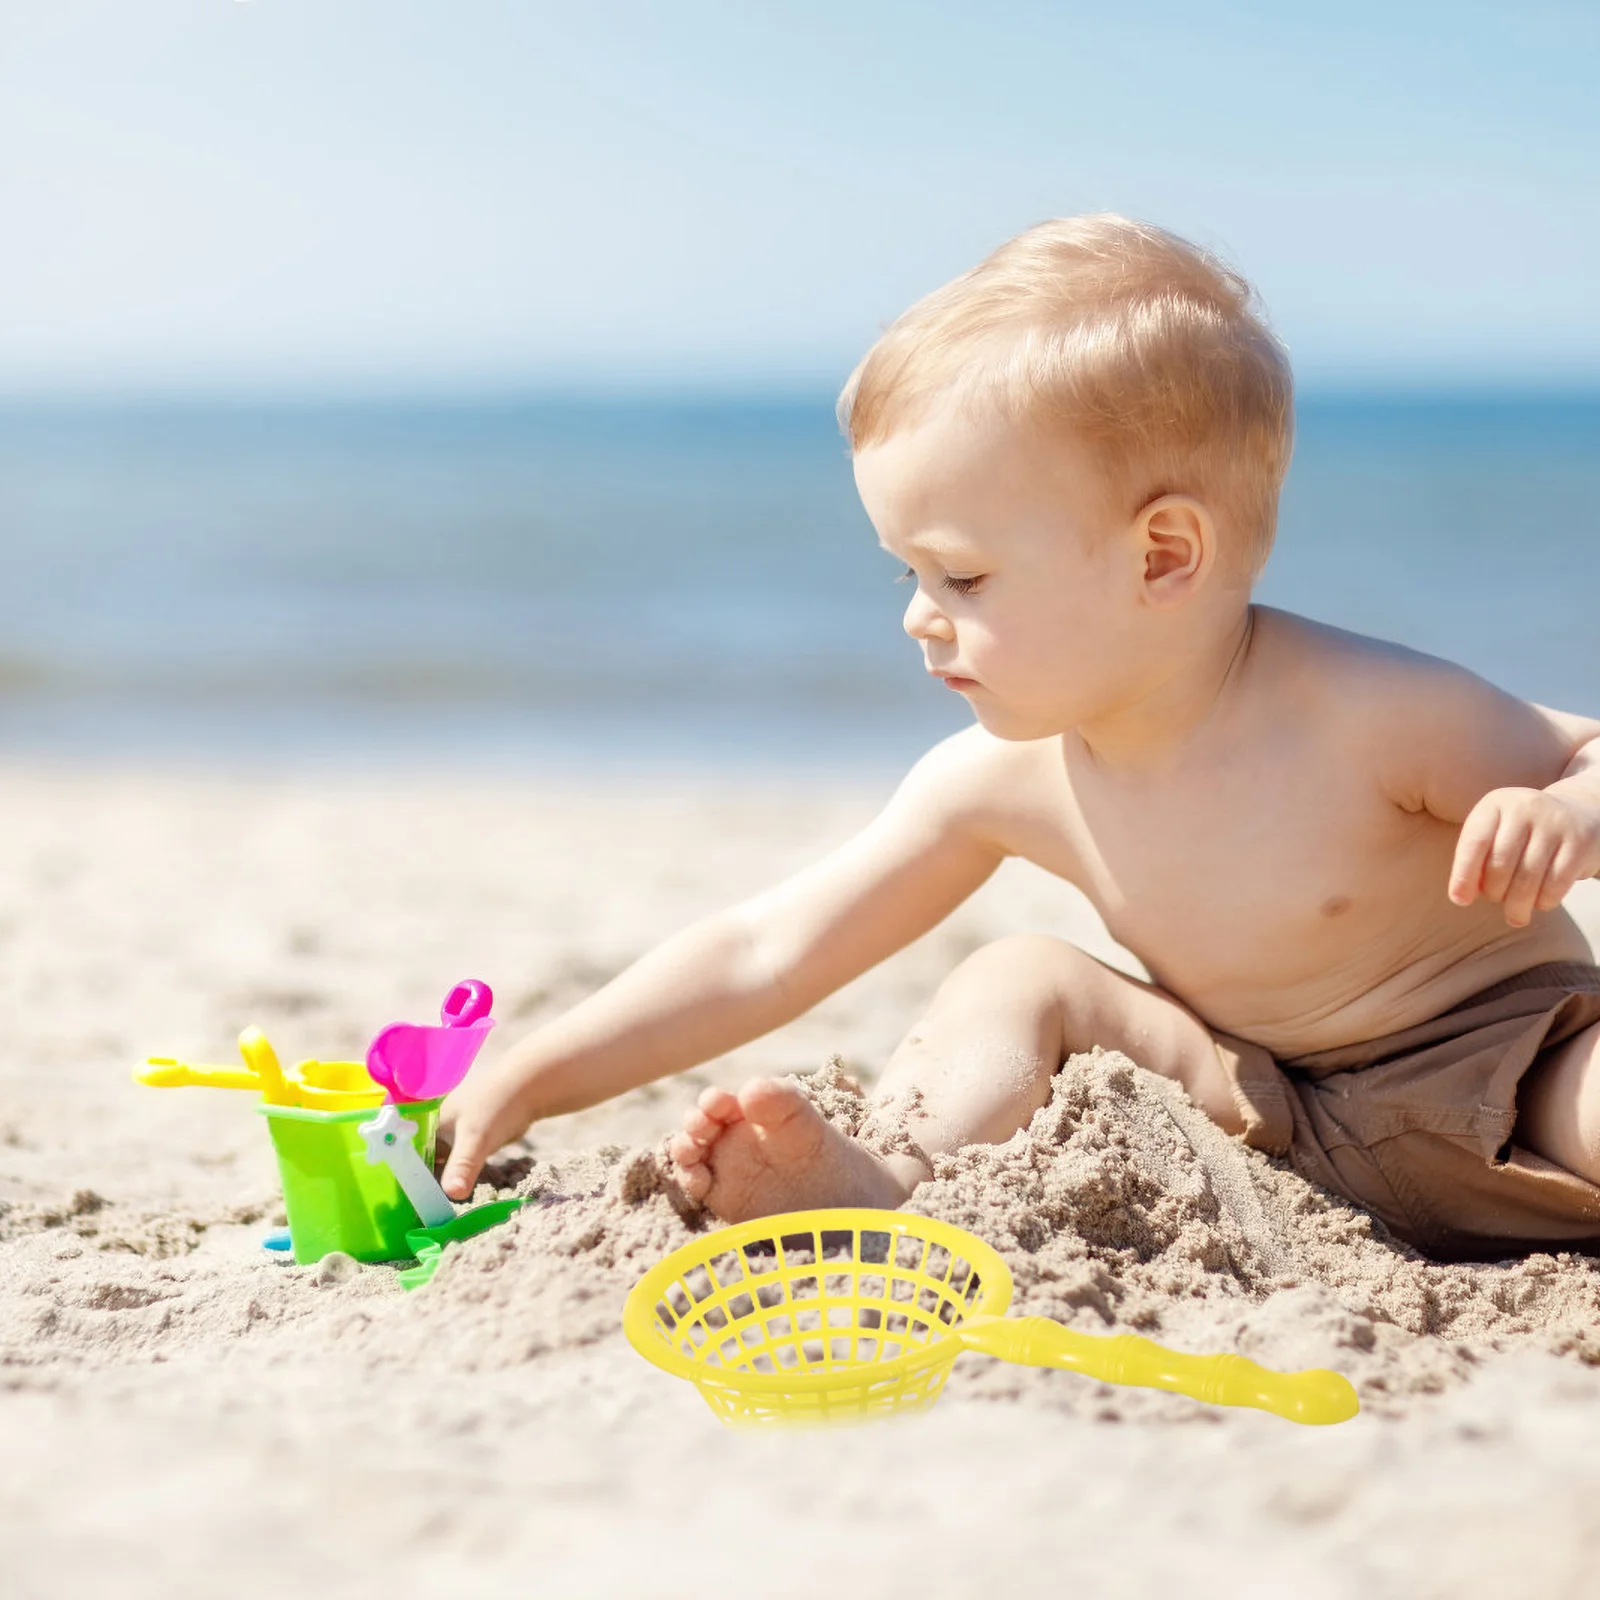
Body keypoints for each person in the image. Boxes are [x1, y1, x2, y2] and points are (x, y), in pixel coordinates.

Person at [438, 215, 1600, 1260]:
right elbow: (765, 946)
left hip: (1505, 1071)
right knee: (1019, 973)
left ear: (1161, 557)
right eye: (908, 570)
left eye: (963, 573)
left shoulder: (1366, 712)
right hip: (1261, 1108)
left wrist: (1563, 811)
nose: (915, 612)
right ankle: (891, 1177)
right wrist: (536, 1075)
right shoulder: (1001, 780)